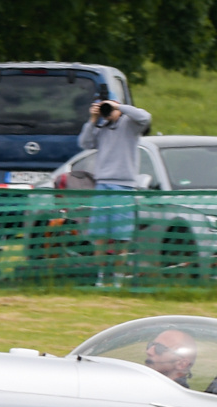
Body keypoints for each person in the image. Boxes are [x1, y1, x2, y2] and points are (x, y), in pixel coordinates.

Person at [77, 97, 152, 283]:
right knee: (99, 235)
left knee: (122, 237)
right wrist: (93, 120)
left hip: (124, 186)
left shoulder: (130, 124)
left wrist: (119, 107)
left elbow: (145, 117)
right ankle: (101, 278)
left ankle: (118, 279)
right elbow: (85, 143)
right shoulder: (101, 127)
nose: (108, 111)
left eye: (110, 107)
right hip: (102, 184)